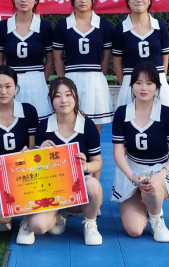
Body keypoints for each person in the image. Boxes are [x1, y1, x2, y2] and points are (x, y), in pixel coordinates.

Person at [16, 77, 103, 246]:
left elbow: (97, 162)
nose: (63, 100)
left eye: (68, 94)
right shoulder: (43, 126)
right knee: (39, 226)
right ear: (51, 100)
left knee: (93, 185)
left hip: (77, 187)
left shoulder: (87, 125)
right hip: (51, 187)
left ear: (75, 97)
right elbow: (35, 167)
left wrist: (85, 165)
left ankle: (90, 223)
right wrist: (38, 152)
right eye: (57, 96)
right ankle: (55, 213)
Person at [111, 62, 169, 243]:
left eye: (149, 83)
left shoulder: (167, 114)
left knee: (152, 188)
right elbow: (118, 152)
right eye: (139, 83)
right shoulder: (121, 113)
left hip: (158, 170)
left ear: (157, 86)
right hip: (132, 170)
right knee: (134, 230)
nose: (144, 88)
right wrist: (131, 176)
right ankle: (144, 201)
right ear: (132, 85)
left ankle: (156, 218)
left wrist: (160, 175)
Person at [0, 65, 38, 232]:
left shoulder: (28, 111)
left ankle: (28, 214)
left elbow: (33, 149)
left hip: (25, 174)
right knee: (2, 217)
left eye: (8, 86)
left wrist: (28, 156)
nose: (3, 91)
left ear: (15, 86)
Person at [53, 0, 114, 133]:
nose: (83, 0)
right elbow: (57, 59)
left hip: (95, 81)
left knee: (94, 127)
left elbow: (106, 56)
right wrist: (64, 83)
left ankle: (93, 149)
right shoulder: (63, 25)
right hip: (71, 79)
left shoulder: (103, 24)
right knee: (71, 124)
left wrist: (98, 74)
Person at [112, 0, 169, 119]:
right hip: (131, 84)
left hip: (156, 83)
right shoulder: (121, 29)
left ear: (149, 0)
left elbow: (164, 60)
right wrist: (128, 85)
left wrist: (157, 82)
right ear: (128, 0)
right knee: (130, 124)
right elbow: (117, 64)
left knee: (161, 123)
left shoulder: (160, 27)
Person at [0, 0, 54, 120]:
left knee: (39, 123)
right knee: (13, 122)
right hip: (10, 83)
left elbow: (51, 61)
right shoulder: (3, 26)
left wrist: (41, 80)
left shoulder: (44, 26)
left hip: (37, 82)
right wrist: (6, 80)